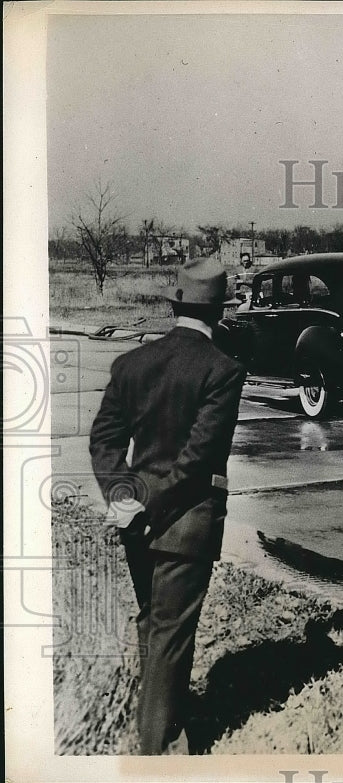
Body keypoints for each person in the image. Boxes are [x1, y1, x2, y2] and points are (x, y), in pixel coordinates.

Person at [89, 258, 245, 754]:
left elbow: (104, 441)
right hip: (185, 524)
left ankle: (163, 720)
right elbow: (196, 460)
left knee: (153, 623)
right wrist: (148, 505)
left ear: (175, 304)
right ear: (218, 311)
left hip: (136, 523)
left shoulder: (131, 364)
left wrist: (126, 498)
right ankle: (155, 751)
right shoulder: (223, 370)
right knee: (170, 636)